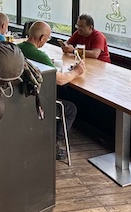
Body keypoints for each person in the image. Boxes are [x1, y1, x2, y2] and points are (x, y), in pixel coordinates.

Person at [18, 21, 86, 160]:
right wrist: (77, 71)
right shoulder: (40, 56)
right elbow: (61, 80)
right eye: (47, 38)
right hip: (36, 104)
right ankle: (52, 144)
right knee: (70, 109)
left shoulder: (17, 48)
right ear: (42, 37)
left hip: (19, 98)